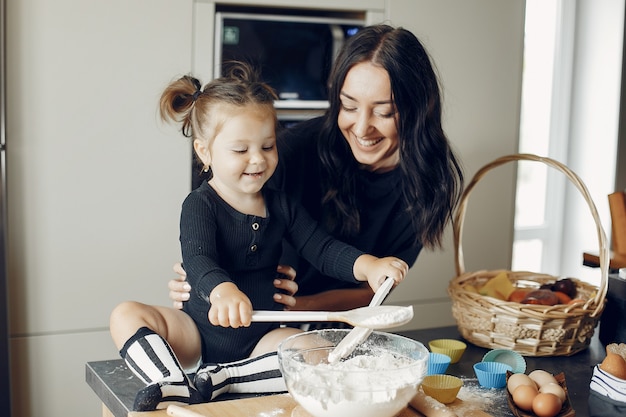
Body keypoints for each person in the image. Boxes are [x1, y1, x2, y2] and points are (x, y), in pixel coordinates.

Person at [109, 62, 408, 411]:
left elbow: (322, 248)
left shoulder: (282, 205)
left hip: (260, 340)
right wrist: (222, 290)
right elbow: (198, 259)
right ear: (204, 152)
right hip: (196, 332)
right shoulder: (200, 204)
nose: (257, 160)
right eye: (240, 150)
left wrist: (368, 266)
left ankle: (223, 379)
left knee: (317, 355)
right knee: (125, 314)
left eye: (267, 147)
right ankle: (171, 381)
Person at [169, 24, 464, 313]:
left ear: (418, 109)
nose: (362, 128)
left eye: (384, 112)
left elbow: (372, 287)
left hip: (318, 320)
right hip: (256, 317)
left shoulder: (429, 179)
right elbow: (219, 215)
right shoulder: (289, 152)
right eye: (349, 107)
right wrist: (206, 279)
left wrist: (298, 309)